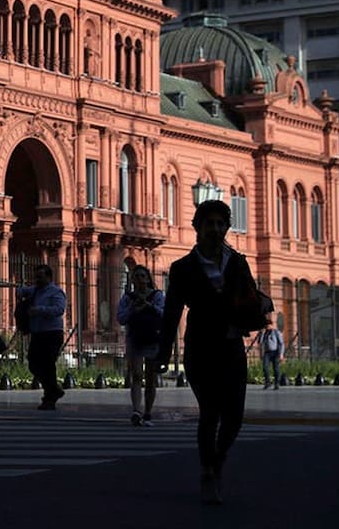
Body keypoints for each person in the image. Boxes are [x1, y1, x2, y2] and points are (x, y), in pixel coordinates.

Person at [156, 199, 263, 505]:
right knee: (210, 413)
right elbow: (172, 312)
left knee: (235, 418)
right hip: (201, 349)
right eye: (210, 224)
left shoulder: (238, 262)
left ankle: (217, 461)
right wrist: (163, 353)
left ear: (227, 228)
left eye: (221, 224)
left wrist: (253, 308)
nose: (216, 229)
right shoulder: (182, 269)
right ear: (198, 228)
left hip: (231, 346)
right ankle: (207, 470)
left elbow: (251, 296)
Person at [117, 264, 166, 426]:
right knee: (136, 375)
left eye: (142, 276)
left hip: (152, 338)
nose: (139, 279)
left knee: (151, 377)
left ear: (148, 279)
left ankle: (148, 411)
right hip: (135, 337)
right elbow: (121, 318)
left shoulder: (157, 296)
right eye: (136, 276)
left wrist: (149, 306)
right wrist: (133, 309)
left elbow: (164, 313)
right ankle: (136, 410)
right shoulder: (127, 298)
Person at [16, 263, 66, 409]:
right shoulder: (35, 291)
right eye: (36, 276)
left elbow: (59, 309)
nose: (37, 279)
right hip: (38, 333)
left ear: (49, 277)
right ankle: (53, 389)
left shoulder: (56, 292)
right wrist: (20, 291)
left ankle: (49, 397)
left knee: (48, 364)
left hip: (52, 332)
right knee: (33, 363)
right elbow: (21, 291)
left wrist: (39, 310)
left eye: (40, 276)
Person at [258, 316, 284, 390]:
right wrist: (262, 334)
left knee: (276, 368)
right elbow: (259, 342)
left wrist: (281, 354)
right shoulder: (264, 333)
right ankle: (268, 383)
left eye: (268, 325)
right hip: (267, 352)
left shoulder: (276, 332)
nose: (267, 327)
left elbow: (281, 343)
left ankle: (277, 383)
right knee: (265, 367)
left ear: (271, 325)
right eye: (265, 326)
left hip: (275, 352)